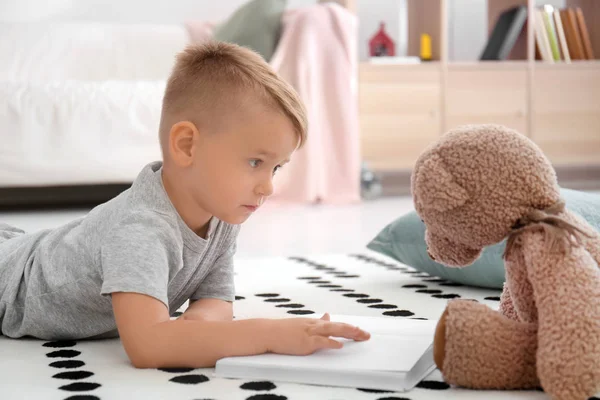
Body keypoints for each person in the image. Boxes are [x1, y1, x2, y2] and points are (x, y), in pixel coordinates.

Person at [0, 41, 370, 368]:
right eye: (256, 162)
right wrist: (268, 334)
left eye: (277, 166)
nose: (268, 186)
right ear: (187, 146)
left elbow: (216, 298)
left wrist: (198, 330)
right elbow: (147, 347)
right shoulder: (141, 229)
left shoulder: (223, 217)